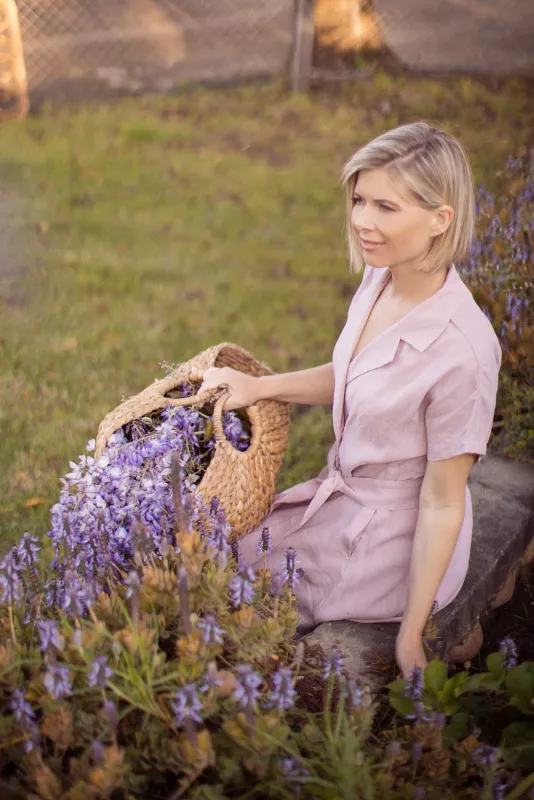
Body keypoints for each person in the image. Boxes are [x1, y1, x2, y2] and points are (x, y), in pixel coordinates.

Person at [198, 121, 502, 679]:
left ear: (441, 218)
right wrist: (260, 387)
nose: (362, 220)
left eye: (386, 207)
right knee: (213, 559)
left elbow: (442, 501)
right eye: (360, 199)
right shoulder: (380, 278)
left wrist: (413, 633)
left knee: (233, 599)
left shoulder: (465, 351)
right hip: (341, 500)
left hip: (393, 540)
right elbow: (352, 375)